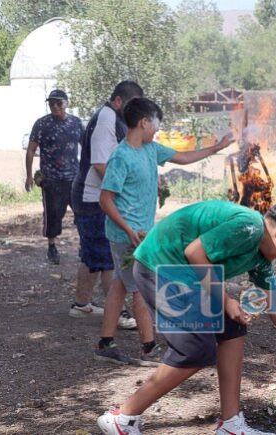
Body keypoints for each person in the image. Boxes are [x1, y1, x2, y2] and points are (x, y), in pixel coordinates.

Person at [97, 201, 276, 435]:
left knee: (233, 328)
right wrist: (228, 301)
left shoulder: (262, 258)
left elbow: (275, 305)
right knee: (196, 349)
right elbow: (195, 252)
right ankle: (122, 417)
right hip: (160, 265)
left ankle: (231, 425)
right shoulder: (249, 227)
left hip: (185, 273)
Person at [95, 97, 234, 365]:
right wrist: (128, 229)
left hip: (143, 233)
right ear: (144, 122)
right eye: (156, 122)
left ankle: (105, 343)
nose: (158, 128)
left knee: (121, 284)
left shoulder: (150, 149)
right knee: (139, 288)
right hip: (128, 236)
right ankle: (149, 349)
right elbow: (105, 199)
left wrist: (217, 147)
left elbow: (182, 157)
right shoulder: (121, 157)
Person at [69, 80, 143, 328]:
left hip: (94, 196)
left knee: (93, 255)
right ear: (119, 100)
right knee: (105, 257)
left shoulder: (112, 117)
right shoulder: (106, 119)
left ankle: (81, 305)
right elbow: (100, 164)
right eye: (132, 105)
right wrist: (123, 192)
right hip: (93, 198)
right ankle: (119, 312)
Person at [25, 89, 84, 264]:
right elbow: (31, 150)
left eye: (59, 103)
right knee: (52, 215)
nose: (55, 107)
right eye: (51, 103)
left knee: (82, 213)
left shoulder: (76, 123)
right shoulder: (42, 124)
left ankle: (84, 245)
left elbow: (87, 148)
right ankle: (52, 247)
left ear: (67, 103)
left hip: (74, 178)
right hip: (51, 179)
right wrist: (29, 176)